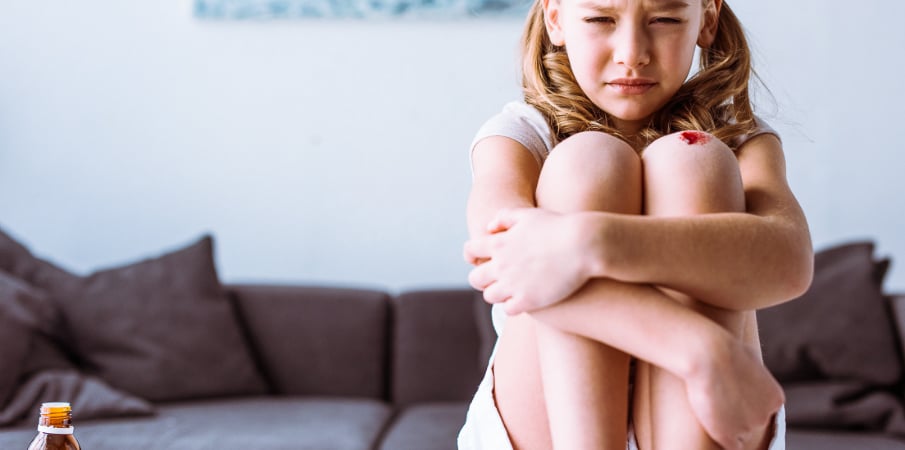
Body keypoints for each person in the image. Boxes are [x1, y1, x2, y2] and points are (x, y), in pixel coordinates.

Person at [457, 0, 813, 449]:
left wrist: (590, 242)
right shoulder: (522, 135)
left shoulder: (742, 139)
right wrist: (698, 349)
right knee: (589, 158)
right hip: (549, 416)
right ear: (555, 18)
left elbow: (791, 260)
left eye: (664, 19)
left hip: (698, 421)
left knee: (693, 157)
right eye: (600, 19)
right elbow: (500, 262)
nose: (633, 53)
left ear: (706, 19)